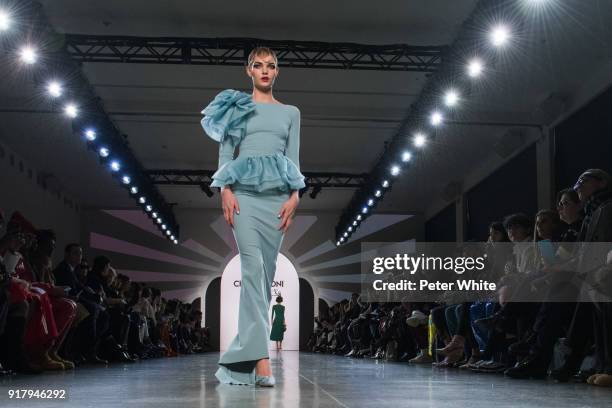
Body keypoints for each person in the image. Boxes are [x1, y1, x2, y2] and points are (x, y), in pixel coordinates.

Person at [201, 46, 305, 387]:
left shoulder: (291, 112)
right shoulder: (237, 106)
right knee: (253, 268)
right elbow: (225, 151)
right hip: (243, 195)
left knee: (266, 274)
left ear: (277, 72)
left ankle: (243, 355)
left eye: (271, 66)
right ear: (248, 70)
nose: (264, 70)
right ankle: (261, 360)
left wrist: (295, 196)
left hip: (277, 199)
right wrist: (225, 190)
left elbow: (293, 159)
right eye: (258, 65)